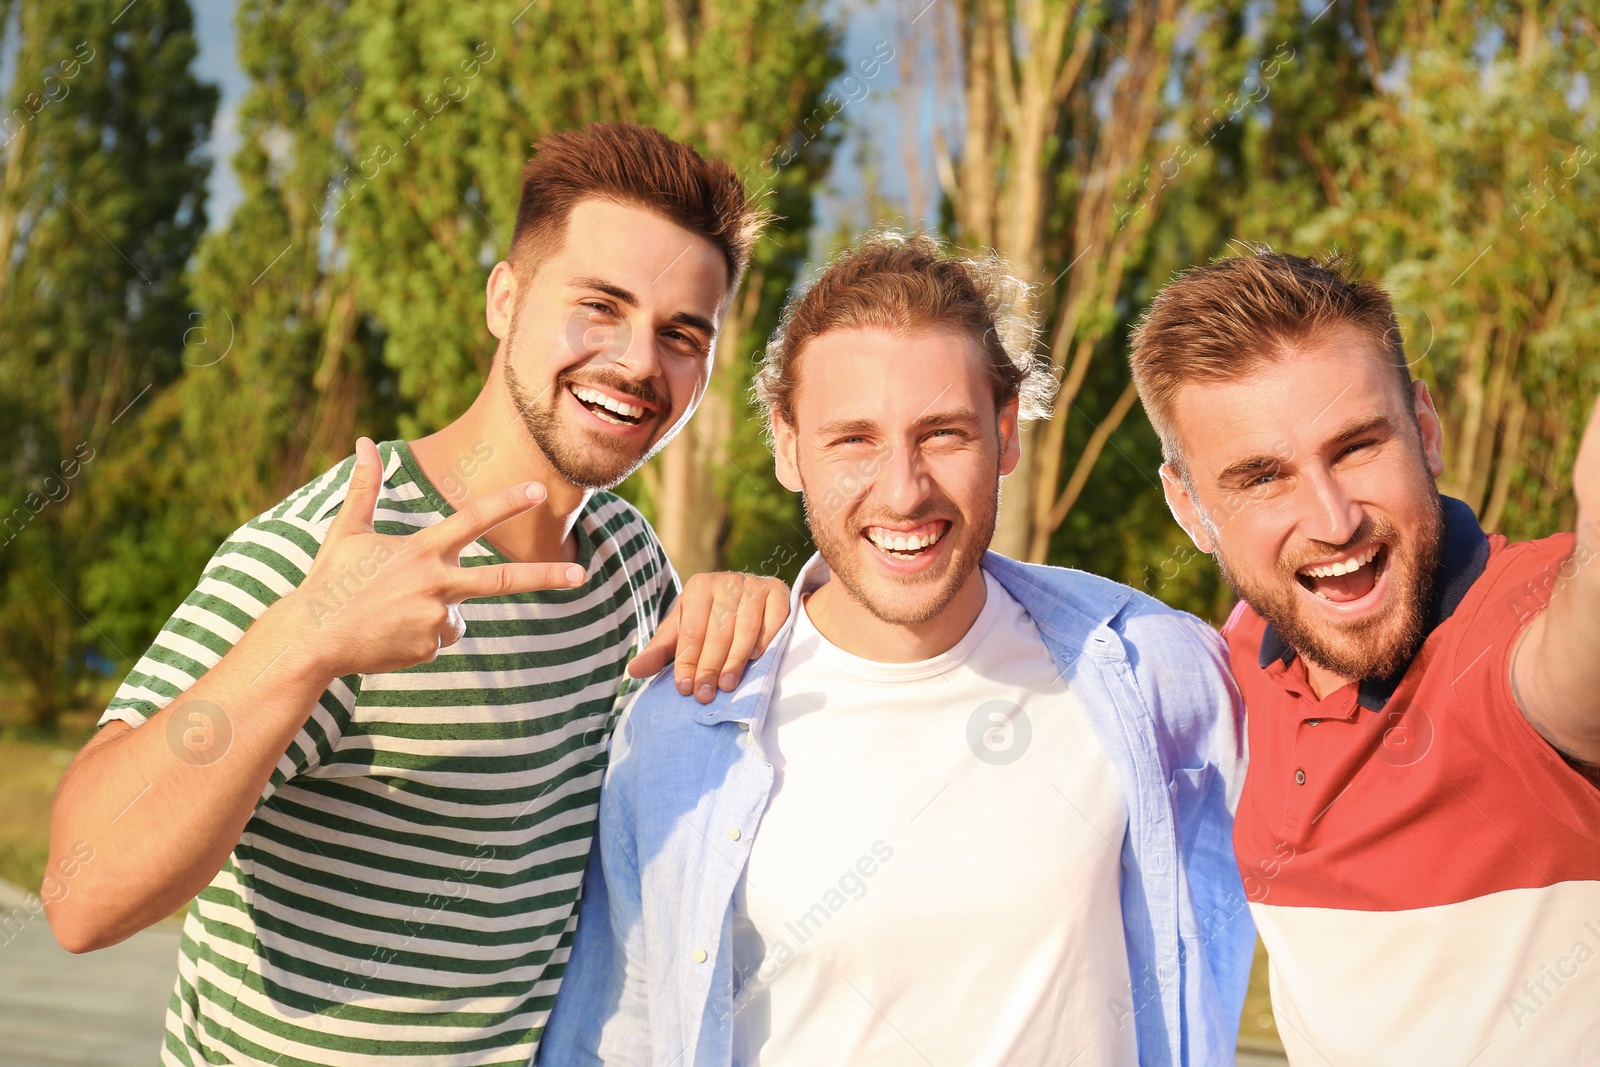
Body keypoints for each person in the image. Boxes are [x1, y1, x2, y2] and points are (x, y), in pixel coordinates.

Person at [44, 122, 791, 1067]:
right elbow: (81, 894)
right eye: (600, 306)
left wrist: (745, 608)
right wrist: (309, 638)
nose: (641, 363)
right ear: (505, 298)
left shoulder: (629, 564)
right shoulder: (329, 553)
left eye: (683, 333)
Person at [540, 232, 1254, 1067]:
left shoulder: (1155, 671)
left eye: (943, 433)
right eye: (854, 439)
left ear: (1006, 433)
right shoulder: (678, 730)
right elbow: (616, 1038)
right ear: (786, 444)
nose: (904, 489)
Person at [1129, 251, 1600, 1066]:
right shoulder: (1232, 663)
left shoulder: (1526, 632)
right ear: (1191, 508)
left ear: (1424, 428)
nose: (1333, 518)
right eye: (1262, 477)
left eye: (1354, 447)